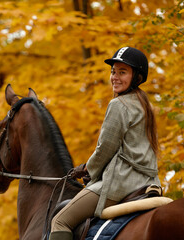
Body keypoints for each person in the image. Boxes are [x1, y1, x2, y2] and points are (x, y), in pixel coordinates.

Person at [49, 47, 161, 240]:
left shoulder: (118, 105)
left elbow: (104, 150)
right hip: (149, 183)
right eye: (113, 71)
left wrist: (89, 170)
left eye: (122, 72)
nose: (115, 77)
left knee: (59, 221)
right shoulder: (145, 104)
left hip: (121, 183)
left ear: (138, 77)